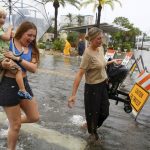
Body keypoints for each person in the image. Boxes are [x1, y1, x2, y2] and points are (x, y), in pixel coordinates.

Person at [68, 27, 122, 144]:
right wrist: (73, 95)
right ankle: (92, 136)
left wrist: (111, 62)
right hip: (92, 88)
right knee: (93, 114)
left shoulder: (100, 48)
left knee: (105, 112)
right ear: (91, 39)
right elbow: (79, 75)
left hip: (102, 85)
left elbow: (100, 64)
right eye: (98, 39)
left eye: (101, 38)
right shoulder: (87, 54)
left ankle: (89, 125)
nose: (101, 41)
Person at [0, 21, 40, 150]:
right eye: (29, 35)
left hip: (24, 84)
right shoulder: (9, 42)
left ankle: (12, 122)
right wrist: (3, 64)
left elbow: (34, 68)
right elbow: (1, 58)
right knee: (16, 126)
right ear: (21, 32)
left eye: (34, 36)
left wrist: (18, 59)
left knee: (34, 117)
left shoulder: (32, 49)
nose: (32, 38)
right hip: (7, 84)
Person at [0, 6, 32, 100]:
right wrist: (10, 28)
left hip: (4, 55)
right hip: (1, 56)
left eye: (4, 17)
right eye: (0, 17)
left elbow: (5, 40)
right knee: (18, 70)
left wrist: (11, 36)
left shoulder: (2, 30)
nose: (2, 19)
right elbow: (5, 38)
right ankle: (22, 90)